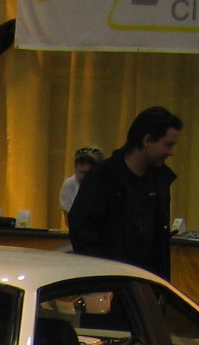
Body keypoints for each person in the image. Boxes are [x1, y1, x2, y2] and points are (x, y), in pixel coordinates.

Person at [67, 107, 182, 279]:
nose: (170, 152)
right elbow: (81, 229)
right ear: (147, 140)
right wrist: (103, 274)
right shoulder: (103, 177)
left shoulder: (160, 180)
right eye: (167, 144)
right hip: (109, 281)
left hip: (147, 283)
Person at [58, 146, 103, 223]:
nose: (84, 177)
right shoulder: (69, 184)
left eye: (88, 173)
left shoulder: (108, 186)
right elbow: (69, 221)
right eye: (81, 172)